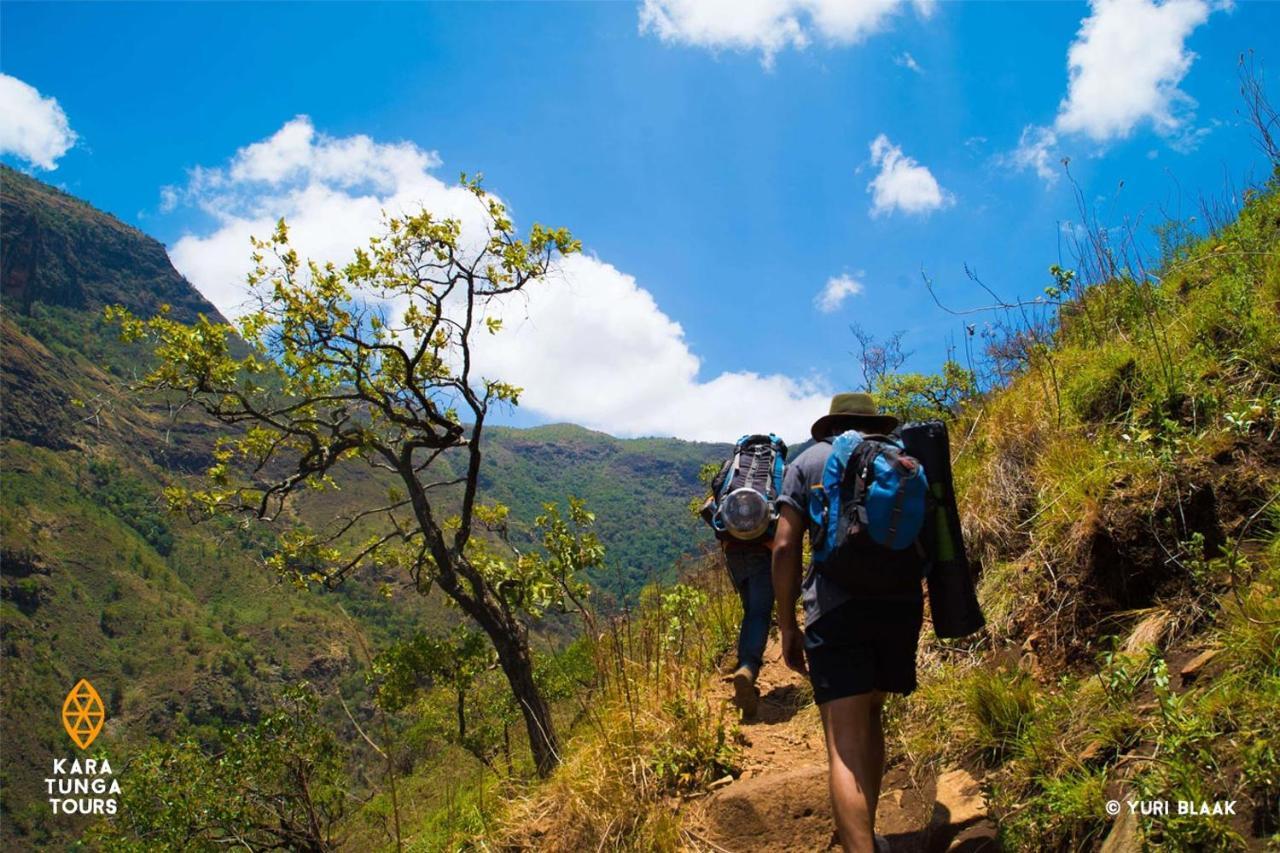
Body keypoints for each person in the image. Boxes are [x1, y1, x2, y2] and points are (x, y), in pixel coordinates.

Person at [772, 393, 925, 853]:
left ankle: (859, 846)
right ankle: (868, 836)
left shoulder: (809, 461)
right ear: (873, 421)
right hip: (899, 608)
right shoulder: (901, 459)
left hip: (835, 611)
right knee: (872, 716)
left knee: (844, 741)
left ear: (832, 422)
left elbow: (782, 547)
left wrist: (786, 625)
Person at [723, 537, 774, 717]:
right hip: (763, 548)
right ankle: (748, 667)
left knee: (750, 610)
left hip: (733, 551)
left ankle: (744, 667)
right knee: (759, 613)